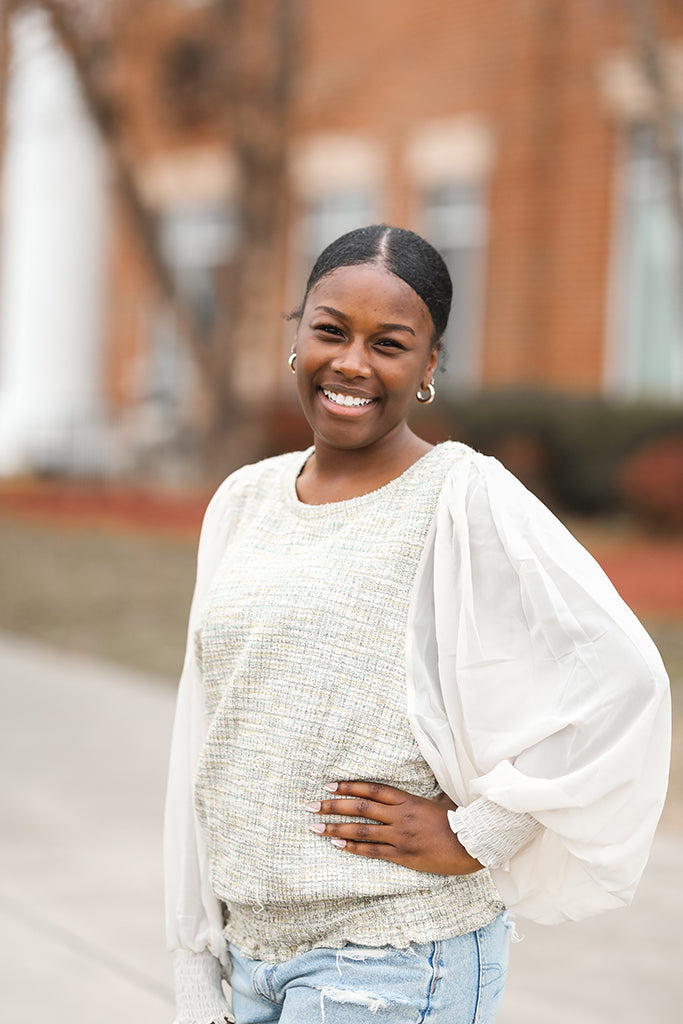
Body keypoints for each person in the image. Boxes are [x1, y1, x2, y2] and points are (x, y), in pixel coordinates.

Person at [164, 224, 670, 1024]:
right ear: (295, 335)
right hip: (254, 958)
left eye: (389, 343)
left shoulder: (463, 495)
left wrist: (481, 833)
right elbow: (205, 730)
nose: (352, 362)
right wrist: (195, 958)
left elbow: (620, 679)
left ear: (428, 366)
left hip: (391, 957)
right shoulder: (242, 501)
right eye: (330, 330)